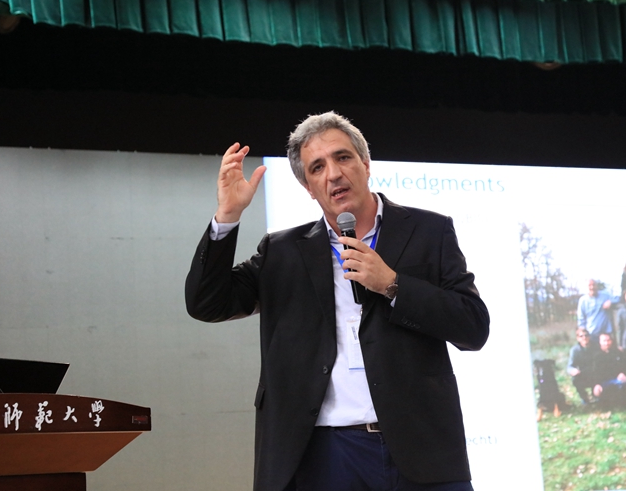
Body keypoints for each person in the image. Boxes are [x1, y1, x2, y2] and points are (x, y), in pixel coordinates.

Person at [185, 112, 490, 491]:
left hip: (421, 449)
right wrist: (228, 216)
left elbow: (473, 327)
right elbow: (207, 303)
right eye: (317, 167)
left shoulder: (429, 231)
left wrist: (393, 285)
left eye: (343, 157)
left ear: (365, 164)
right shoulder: (282, 251)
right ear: (308, 187)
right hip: (322, 454)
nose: (333, 174)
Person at [592, 333, 626, 407]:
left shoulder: (617, 352)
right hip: (602, 382)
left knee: (622, 382)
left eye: (608, 340)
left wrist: (623, 373)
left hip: (616, 380)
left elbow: (624, 366)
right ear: (600, 342)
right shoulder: (596, 355)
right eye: (604, 341)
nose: (606, 343)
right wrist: (596, 384)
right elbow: (594, 373)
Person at [567, 327, 596, 404]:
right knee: (575, 379)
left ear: (589, 336)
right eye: (581, 336)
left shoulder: (596, 347)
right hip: (583, 374)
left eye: (586, 335)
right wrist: (573, 370)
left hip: (596, 374)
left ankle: (596, 395)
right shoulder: (574, 350)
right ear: (578, 338)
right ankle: (584, 398)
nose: (584, 338)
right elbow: (569, 367)